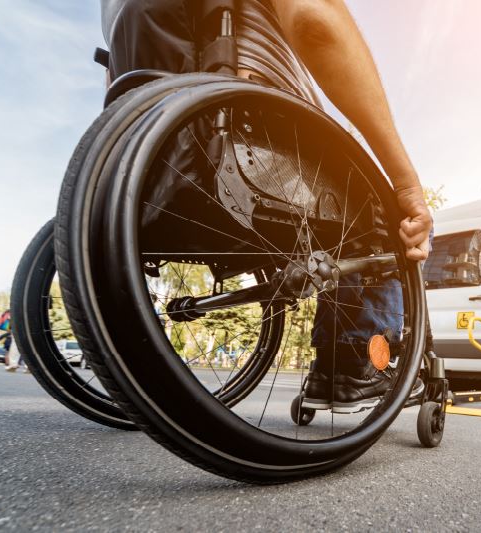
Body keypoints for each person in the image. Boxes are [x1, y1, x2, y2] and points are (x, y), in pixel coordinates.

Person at [100, 0, 432, 413]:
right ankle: (351, 368)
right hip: (251, 133)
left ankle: (337, 368)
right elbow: (314, 22)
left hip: (161, 154)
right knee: (392, 219)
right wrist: (406, 183)